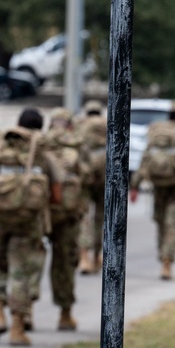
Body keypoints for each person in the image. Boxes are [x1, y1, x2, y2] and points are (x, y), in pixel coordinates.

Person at [0, 107, 62, 346]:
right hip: (28, 221)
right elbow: (56, 194)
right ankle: (17, 328)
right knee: (20, 272)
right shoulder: (41, 152)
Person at [129, 101, 175, 280]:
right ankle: (167, 262)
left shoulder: (157, 130)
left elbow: (146, 157)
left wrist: (135, 185)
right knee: (173, 224)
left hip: (158, 183)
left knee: (162, 222)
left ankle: (162, 256)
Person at [43, 108, 88, 331]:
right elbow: (88, 176)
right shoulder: (77, 146)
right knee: (65, 263)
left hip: (41, 212)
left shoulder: (39, 144)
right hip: (68, 214)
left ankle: (25, 315)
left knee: (29, 259)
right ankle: (65, 314)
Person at [76, 100, 107, 275]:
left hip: (85, 175)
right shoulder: (107, 123)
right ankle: (97, 256)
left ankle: (84, 258)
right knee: (100, 218)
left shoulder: (80, 125)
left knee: (85, 218)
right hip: (104, 175)